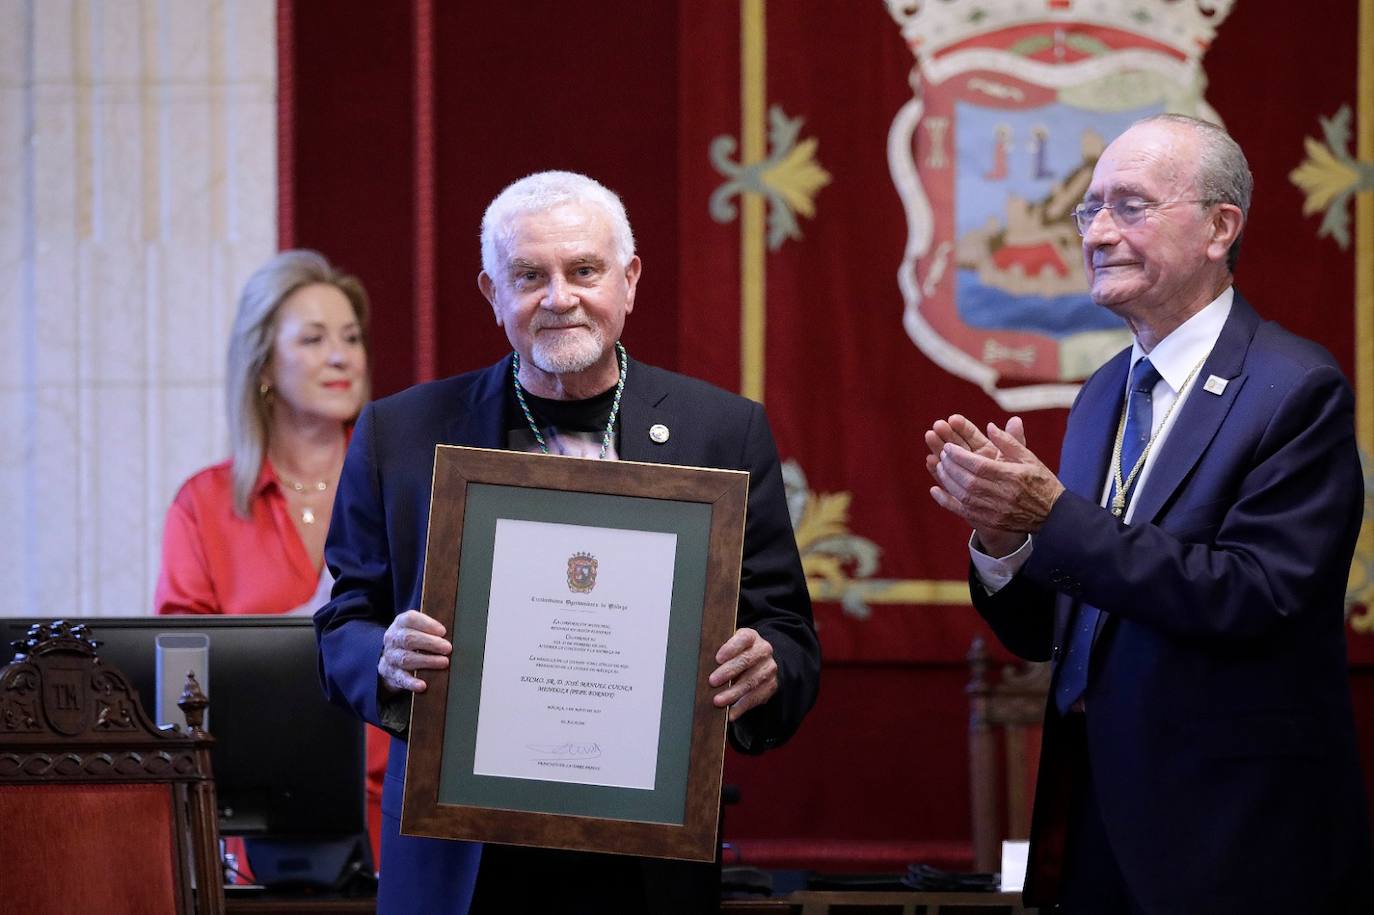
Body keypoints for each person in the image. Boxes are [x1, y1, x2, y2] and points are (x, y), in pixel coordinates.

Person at [314, 170, 821, 913]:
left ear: (629, 280)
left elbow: (791, 635)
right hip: (462, 860)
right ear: (493, 293)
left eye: (584, 270)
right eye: (529, 275)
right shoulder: (402, 432)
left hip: (645, 862)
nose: (559, 297)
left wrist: (767, 667)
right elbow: (340, 627)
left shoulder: (722, 431)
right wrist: (382, 656)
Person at [925, 114, 1374, 913]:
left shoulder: (1294, 390)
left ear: (1219, 227)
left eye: (1129, 206)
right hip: (1091, 823)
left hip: (1230, 840)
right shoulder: (1102, 392)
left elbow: (1253, 595)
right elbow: (1054, 630)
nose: (1097, 232)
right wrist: (1006, 540)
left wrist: (1053, 516)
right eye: (1088, 210)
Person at [154, 249, 389, 872]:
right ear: (263, 363)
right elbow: (179, 691)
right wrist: (299, 628)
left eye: (351, 338)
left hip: (397, 816)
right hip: (251, 832)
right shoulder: (203, 506)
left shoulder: (405, 489)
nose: (341, 357)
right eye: (313, 339)